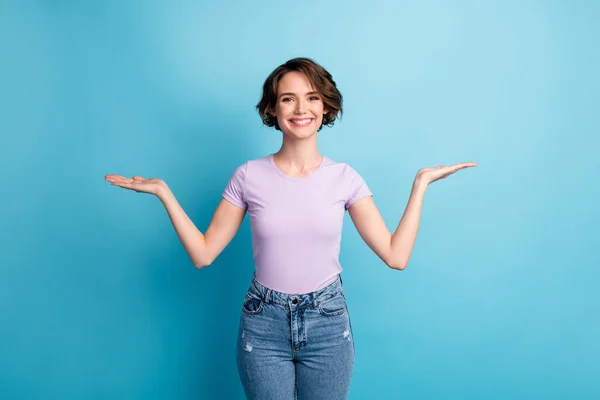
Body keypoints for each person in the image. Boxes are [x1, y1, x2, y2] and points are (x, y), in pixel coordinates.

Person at [105, 57, 476, 399]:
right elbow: (204, 253)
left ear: (325, 107)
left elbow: (396, 256)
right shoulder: (248, 176)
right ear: (272, 109)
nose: (301, 109)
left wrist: (421, 184)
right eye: (288, 99)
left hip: (327, 321)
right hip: (263, 323)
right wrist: (164, 193)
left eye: (312, 98)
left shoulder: (345, 179)